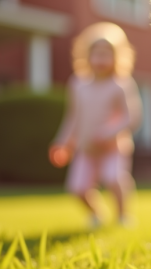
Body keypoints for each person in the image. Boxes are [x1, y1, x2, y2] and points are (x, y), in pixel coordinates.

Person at [49, 22, 142, 227]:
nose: (101, 59)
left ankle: (122, 215)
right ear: (87, 56)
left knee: (113, 179)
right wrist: (63, 142)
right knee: (78, 189)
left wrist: (109, 132)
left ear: (117, 57)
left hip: (113, 148)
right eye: (97, 54)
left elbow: (132, 117)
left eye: (106, 54)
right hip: (86, 149)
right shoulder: (78, 84)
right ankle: (96, 214)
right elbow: (73, 117)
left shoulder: (120, 84)